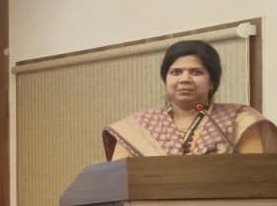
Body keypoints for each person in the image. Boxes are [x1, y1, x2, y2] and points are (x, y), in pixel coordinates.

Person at [103, 39, 277, 159]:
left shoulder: (239, 119)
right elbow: (118, 182)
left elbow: (254, 175)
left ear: (212, 81)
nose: (185, 79)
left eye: (196, 72)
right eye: (176, 72)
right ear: (166, 79)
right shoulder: (138, 127)